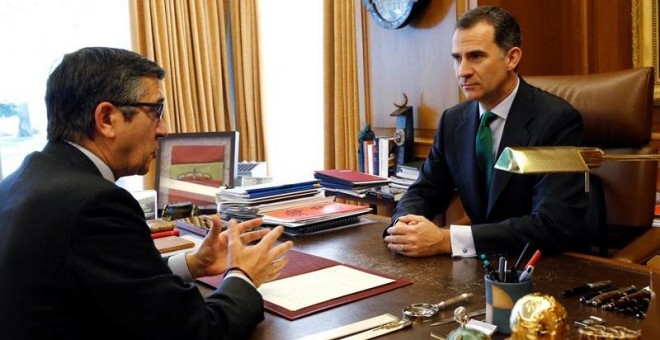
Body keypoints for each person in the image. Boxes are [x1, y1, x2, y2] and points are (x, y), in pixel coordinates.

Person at [0, 47, 293, 340]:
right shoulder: (95, 204)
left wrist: (192, 264)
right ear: (106, 118)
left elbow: (111, 281)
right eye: (156, 111)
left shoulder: (21, 180)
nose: (164, 130)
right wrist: (243, 275)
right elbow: (198, 332)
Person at [384, 6, 588, 258]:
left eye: (476, 56)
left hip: (544, 266)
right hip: (482, 263)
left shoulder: (557, 121)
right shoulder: (453, 120)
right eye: (457, 58)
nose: (462, 71)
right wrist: (404, 225)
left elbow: (552, 224)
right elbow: (425, 190)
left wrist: (447, 240)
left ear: (511, 58)